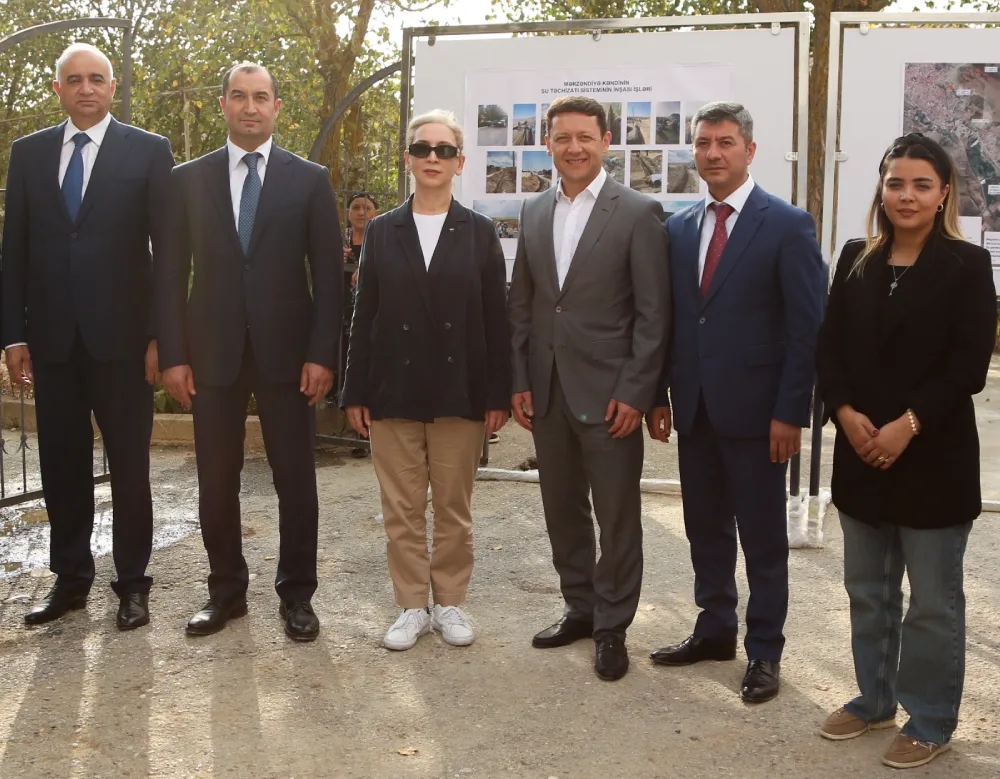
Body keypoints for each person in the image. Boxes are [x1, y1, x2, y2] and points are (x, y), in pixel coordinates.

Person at [816, 133, 996, 769]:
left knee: (931, 604)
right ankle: (873, 699)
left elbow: (967, 366)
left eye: (922, 184)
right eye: (896, 183)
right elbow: (829, 349)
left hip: (934, 458)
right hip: (860, 452)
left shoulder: (967, 265)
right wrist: (845, 414)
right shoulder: (856, 258)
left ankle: (931, 719)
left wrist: (907, 424)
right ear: (882, 189)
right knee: (868, 591)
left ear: (943, 192)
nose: (907, 195)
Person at [647, 101, 825, 703]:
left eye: (725, 142)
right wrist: (660, 394)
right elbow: (673, 320)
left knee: (763, 539)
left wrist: (791, 412)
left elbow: (806, 328)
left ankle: (765, 651)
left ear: (749, 150)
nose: (713, 153)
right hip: (695, 409)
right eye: (703, 143)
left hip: (760, 416)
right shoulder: (678, 229)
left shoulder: (788, 224)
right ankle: (715, 628)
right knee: (705, 528)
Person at [156, 62, 341, 640]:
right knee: (216, 479)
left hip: (290, 357)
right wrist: (173, 355)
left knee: (296, 479)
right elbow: (170, 274)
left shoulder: (310, 180)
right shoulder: (187, 180)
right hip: (211, 354)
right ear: (223, 105)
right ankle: (225, 591)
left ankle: (297, 595)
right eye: (239, 96)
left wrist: (323, 353)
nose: (250, 106)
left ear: (277, 107)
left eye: (261, 97)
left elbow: (329, 278)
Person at [1, 43, 174, 630]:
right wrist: (13, 334)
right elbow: (14, 250)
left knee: (129, 468)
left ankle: (133, 585)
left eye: (96, 78)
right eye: (73, 80)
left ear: (112, 86)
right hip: (52, 343)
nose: (86, 89)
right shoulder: (28, 154)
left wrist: (160, 336)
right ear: (58, 89)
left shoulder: (148, 150)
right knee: (62, 466)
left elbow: (168, 252)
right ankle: (71, 579)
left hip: (123, 344)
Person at [507, 96, 671, 681]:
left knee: (617, 515)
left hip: (611, 397)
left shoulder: (639, 212)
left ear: (606, 141)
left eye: (584, 136)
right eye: (562, 138)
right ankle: (579, 607)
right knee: (562, 508)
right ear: (547, 144)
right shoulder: (533, 209)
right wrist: (519, 379)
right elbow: (524, 304)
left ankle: (612, 626)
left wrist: (638, 391)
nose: (573, 147)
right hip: (547, 390)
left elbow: (654, 314)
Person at [343, 109, 511, 651]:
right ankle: (412, 605)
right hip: (393, 389)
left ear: (459, 162)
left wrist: (497, 394)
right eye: (422, 149)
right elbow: (364, 315)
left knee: (454, 508)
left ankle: (451, 601)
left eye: (444, 150)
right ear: (408, 159)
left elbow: (496, 319)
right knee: (403, 508)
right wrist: (355, 391)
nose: (432, 158)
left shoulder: (480, 231)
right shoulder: (383, 230)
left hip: (460, 391)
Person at [341, 192, 378, 457]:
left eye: (367, 207)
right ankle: (351, 431)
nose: (361, 212)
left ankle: (366, 435)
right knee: (345, 369)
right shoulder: (339, 240)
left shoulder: (383, 236)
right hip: (342, 314)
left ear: (376, 213)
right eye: (355, 207)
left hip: (371, 316)